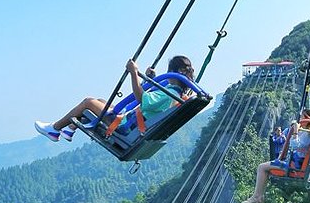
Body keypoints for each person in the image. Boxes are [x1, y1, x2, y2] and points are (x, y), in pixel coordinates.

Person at [35, 55, 196, 142]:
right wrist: (149, 80)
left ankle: (54, 129)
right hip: (131, 122)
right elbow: (154, 101)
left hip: (126, 127)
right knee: (102, 102)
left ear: (172, 72)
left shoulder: (168, 93)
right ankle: (70, 129)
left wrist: (134, 73)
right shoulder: (176, 93)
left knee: (88, 102)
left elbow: (143, 100)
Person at [243, 110, 310, 203]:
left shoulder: (308, 135)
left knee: (261, 167)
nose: (301, 120)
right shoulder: (305, 133)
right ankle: (259, 197)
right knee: (265, 168)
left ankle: (256, 197)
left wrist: (295, 132)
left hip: (294, 166)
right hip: (294, 162)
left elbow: (295, 145)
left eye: (303, 118)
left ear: (308, 120)